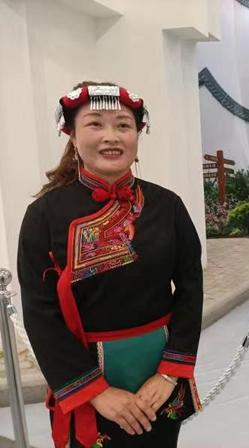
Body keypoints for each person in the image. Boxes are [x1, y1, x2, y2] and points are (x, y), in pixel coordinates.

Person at [17, 82, 203, 448]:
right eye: (95, 124)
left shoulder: (168, 206)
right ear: (72, 135)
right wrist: (96, 391)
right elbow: (40, 313)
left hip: (158, 377)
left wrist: (169, 374)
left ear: (137, 135)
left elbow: (190, 288)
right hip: (89, 380)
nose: (111, 136)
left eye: (123, 125)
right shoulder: (43, 216)